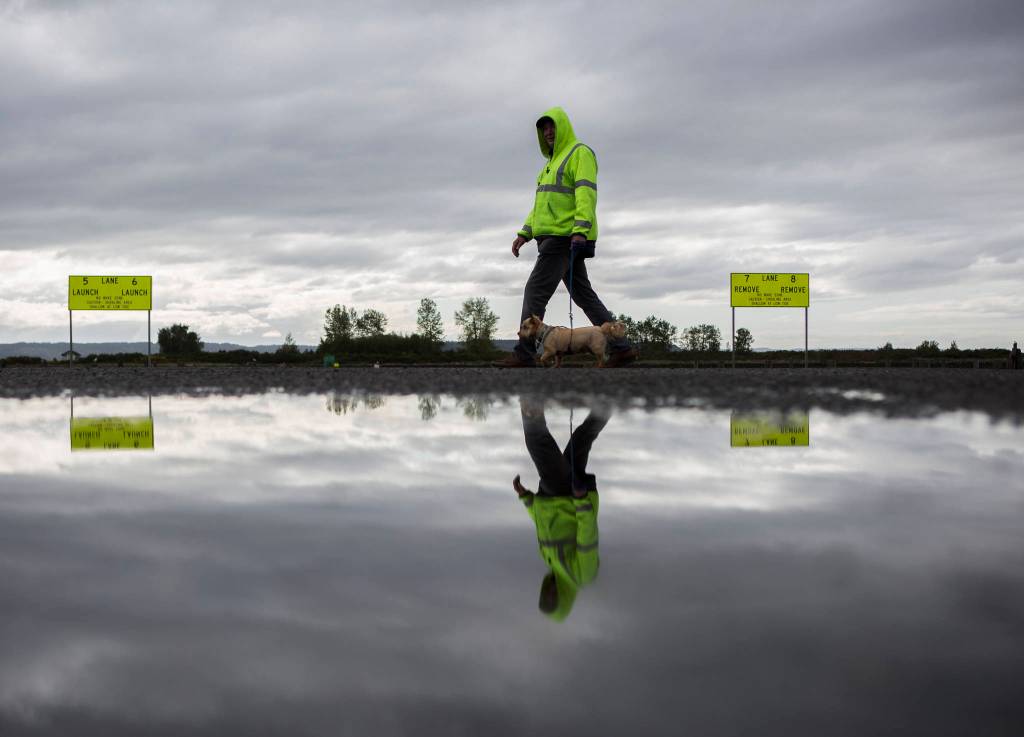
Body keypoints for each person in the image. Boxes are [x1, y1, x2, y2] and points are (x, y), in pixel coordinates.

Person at [493, 107, 638, 368]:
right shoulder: (548, 166)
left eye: (552, 126)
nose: (548, 132)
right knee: (583, 295)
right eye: (543, 128)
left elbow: (586, 193)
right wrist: (524, 233)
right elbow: (540, 207)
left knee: (534, 292)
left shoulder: (579, 153)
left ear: (563, 127)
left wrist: (580, 229)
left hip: (565, 237)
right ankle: (621, 348)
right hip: (556, 238)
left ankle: (524, 354)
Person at [512, 396, 609, 621]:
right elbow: (587, 535)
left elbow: (543, 522)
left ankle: (611, 395)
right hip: (567, 495)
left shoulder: (550, 562)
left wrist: (525, 498)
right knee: (537, 441)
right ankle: (531, 394)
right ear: (563, 600)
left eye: (543, 598)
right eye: (552, 600)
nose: (548, 593)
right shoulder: (582, 575)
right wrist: (582, 500)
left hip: (552, 496)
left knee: (582, 438)